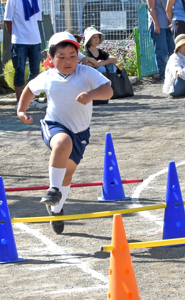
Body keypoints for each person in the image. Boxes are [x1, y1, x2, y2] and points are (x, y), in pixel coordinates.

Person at [16, 32, 113, 234]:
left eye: (72, 55)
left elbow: (108, 90)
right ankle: (53, 190)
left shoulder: (86, 73)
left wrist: (91, 94)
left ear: (78, 55)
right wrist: (21, 111)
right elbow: (29, 89)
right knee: (62, 143)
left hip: (81, 132)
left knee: (67, 173)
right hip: (54, 125)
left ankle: (57, 210)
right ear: (51, 59)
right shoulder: (48, 77)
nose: (68, 61)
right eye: (61, 56)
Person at [4, 0, 46, 109]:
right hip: (19, 41)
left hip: (35, 40)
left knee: (35, 71)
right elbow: (8, 20)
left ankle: (30, 99)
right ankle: (19, 102)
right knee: (20, 71)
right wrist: (14, 36)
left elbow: (36, 20)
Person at [147, 0, 175, 81]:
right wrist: (156, 24)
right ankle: (163, 75)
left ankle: (172, 74)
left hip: (169, 24)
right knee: (162, 51)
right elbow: (151, 8)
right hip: (159, 24)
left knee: (172, 50)